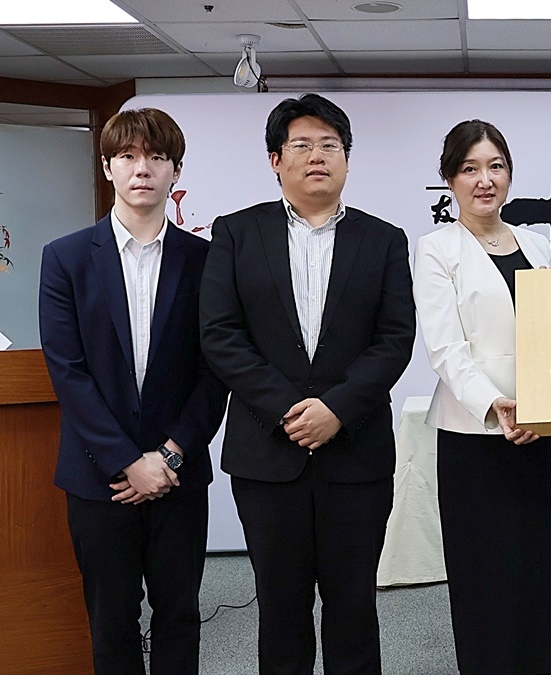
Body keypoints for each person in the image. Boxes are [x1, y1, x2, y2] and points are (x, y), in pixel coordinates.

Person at [199, 93, 416, 675]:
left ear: (346, 158)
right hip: (267, 455)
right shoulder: (237, 233)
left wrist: (337, 409)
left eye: (330, 145)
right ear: (276, 160)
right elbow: (220, 335)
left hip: (357, 453)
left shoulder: (384, 240)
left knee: (354, 606)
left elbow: (395, 339)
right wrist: (291, 409)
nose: (317, 156)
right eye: (302, 145)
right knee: (280, 608)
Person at [39, 108, 228, 674]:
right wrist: (128, 461)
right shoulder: (66, 257)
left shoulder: (205, 261)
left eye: (157, 157)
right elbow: (68, 371)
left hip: (178, 475)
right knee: (111, 620)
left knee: (179, 616)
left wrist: (169, 456)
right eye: (127, 156)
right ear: (108, 168)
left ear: (176, 171)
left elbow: (216, 371)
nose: (142, 168)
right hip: (98, 479)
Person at [412, 119, 551, 675]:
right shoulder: (436, 249)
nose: (485, 180)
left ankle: (544, 663)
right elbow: (445, 348)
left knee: (540, 561)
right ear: (449, 178)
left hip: (542, 428)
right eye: (470, 168)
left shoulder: (538, 244)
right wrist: (494, 404)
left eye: (496, 166)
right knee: (484, 567)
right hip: (474, 434)